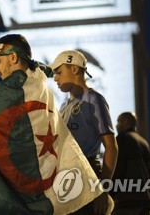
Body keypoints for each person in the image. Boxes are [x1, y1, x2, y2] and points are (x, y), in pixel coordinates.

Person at [0, 34, 105, 214]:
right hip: (45, 187)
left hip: (17, 195)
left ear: (13, 57)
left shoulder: (7, 89)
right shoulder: (40, 83)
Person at [50, 50, 118, 215]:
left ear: (74, 69)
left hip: (88, 174)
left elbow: (111, 146)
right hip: (65, 178)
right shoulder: (64, 106)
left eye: (59, 72)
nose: (55, 78)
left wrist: (103, 191)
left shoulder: (94, 99)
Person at [112, 112, 150, 214]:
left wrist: (110, 193)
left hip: (126, 201)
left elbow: (118, 169)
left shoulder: (121, 139)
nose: (116, 125)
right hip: (144, 200)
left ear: (125, 122)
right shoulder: (144, 142)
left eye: (118, 121)